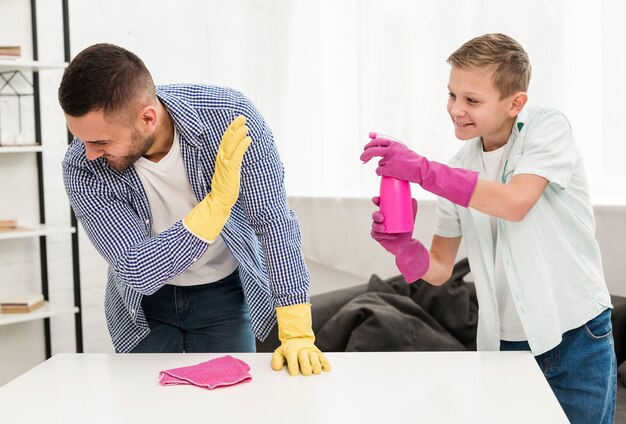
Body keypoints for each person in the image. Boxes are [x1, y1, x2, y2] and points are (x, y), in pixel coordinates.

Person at [361, 33, 616, 422]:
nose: (456, 109)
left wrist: (424, 171)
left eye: (472, 100)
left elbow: (515, 202)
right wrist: (403, 247)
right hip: (504, 348)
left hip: (576, 335)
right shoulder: (457, 166)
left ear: (516, 103)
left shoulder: (548, 129)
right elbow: (440, 268)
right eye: (452, 95)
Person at [58, 43, 330, 377]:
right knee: (146, 406)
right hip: (144, 309)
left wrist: (297, 328)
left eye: (101, 142)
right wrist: (215, 208)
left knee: (231, 406)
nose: (89, 154)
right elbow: (137, 269)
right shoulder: (81, 166)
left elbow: (272, 221)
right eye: (80, 139)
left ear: (147, 118)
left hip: (225, 294)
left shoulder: (230, 118)